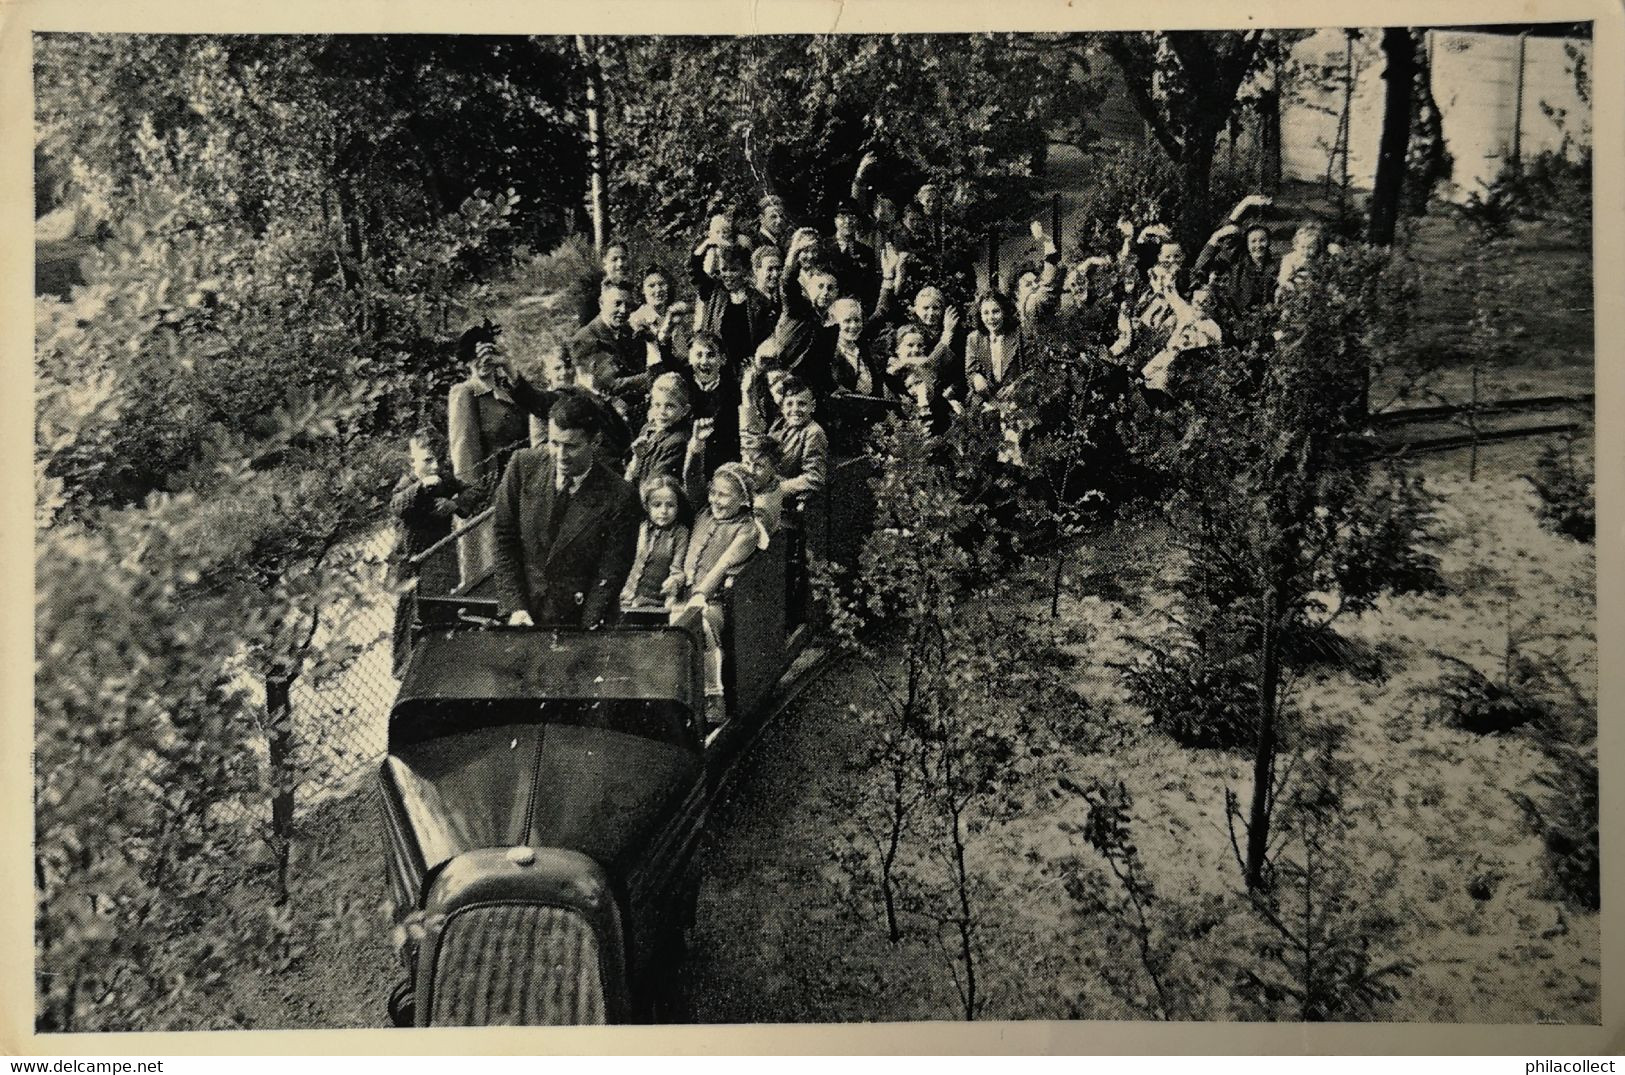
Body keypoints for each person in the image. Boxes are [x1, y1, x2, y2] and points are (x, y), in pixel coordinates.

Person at [491, 392, 642, 629]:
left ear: (596, 441)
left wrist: (585, 632)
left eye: (571, 446)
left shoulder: (620, 496)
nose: (560, 456)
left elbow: (611, 572)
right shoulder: (521, 466)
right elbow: (503, 539)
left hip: (583, 622)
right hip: (524, 617)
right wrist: (515, 607)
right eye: (554, 443)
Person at [666, 460, 768, 729]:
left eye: (724, 495)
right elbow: (692, 479)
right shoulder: (704, 513)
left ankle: (714, 696)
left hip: (713, 601)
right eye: (714, 492)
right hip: (684, 593)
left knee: (699, 624)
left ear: (742, 499)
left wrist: (700, 594)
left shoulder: (747, 529)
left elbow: (723, 565)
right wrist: (696, 449)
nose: (715, 500)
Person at [388, 427, 477, 675]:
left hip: (440, 555)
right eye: (427, 460)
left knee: (442, 605)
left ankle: (439, 662)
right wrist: (421, 488)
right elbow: (397, 506)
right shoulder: (408, 484)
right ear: (412, 461)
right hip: (411, 560)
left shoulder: (444, 479)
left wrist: (454, 504)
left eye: (439, 458)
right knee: (409, 614)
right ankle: (405, 668)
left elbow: (474, 490)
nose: (435, 466)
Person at [448, 325, 532, 586]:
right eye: (475, 357)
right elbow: (463, 449)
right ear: (466, 362)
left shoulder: (510, 390)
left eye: (486, 354)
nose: (482, 363)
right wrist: (473, 495)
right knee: (490, 567)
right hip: (490, 491)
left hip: (521, 486)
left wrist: (507, 366)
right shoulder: (466, 392)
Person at [771, 229, 840, 394]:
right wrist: (794, 251)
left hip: (809, 388)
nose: (825, 293)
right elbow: (787, 284)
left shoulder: (832, 323)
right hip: (782, 382)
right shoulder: (797, 307)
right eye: (820, 287)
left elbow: (823, 366)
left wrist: (835, 388)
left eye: (831, 289)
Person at [695, 244, 776, 372]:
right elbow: (696, 272)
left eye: (733, 270)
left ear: (744, 270)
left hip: (749, 369)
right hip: (719, 367)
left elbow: (765, 338)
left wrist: (756, 360)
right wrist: (708, 244)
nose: (727, 275)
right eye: (724, 269)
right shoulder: (716, 293)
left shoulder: (759, 302)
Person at [621, 473, 692, 611]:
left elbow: (677, 570)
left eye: (670, 505)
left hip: (653, 603)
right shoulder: (640, 527)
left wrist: (674, 584)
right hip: (623, 598)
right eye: (657, 505)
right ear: (647, 506)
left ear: (678, 507)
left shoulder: (680, 534)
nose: (663, 511)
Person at [570, 282, 647, 399]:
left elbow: (639, 366)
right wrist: (654, 376)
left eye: (628, 305)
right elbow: (610, 385)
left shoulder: (628, 330)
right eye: (617, 304)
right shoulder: (586, 339)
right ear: (601, 304)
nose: (623, 310)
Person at [625, 372, 693, 488]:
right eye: (657, 405)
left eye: (670, 406)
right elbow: (631, 475)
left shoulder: (678, 441)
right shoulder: (648, 429)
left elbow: (655, 483)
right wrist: (637, 458)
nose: (662, 412)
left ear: (685, 410)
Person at [963, 289, 1028, 399]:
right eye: (986, 313)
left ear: (1004, 312)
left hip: (1017, 399)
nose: (991, 318)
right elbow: (970, 372)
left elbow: (1033, 369)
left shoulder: (1019, 335)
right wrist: (976, 378)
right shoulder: (974, 339)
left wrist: (1016, 386)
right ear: (980, 315)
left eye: (996, 311)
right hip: (987, 399)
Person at [828, 199, 880, 311]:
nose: (848, 221)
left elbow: (870, 287)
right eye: (842, 216)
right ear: (834, 220)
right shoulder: (824, 248)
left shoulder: (866, 252)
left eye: (852, 217)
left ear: (858, 221)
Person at [577, 238, 631, 326]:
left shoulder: (632, 292)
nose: (620, 264)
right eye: (614, 259)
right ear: (604, 261)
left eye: (623, 258)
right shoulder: (593, 298)